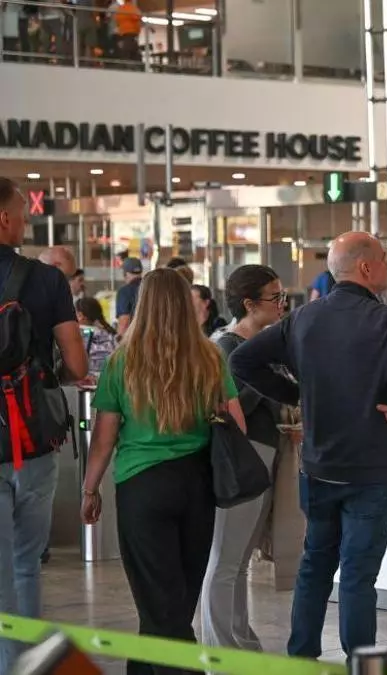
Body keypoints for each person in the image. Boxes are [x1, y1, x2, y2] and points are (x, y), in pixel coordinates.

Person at [230, 232, 387, 660]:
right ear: (366, 268)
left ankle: (301, 657)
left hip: (319, 466)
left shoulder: (303, 319)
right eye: (383, 258)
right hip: (374, 469)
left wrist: (295, 394)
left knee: (314, 564)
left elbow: (243, 360)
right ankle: (361, 664)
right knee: (358, 575)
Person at [80, 269, 245, 675]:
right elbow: (237, 425)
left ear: (143, 304)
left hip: (142, 487)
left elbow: (104, 438)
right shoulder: (210, 358)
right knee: (173, 603)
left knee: (161, 608)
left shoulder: (123, 361)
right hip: (197, 485)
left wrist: (90, 489)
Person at [0, 178, 88, 673]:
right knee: (26, 564)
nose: (27, 220)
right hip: (32, 437)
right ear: (4, 218)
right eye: (22, 211)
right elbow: (76, 365)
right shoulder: (45, 280)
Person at [200, 264, 289, 651]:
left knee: (239, 561)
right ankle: (220, 649)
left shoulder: (263, 345)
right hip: (240, 456)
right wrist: (265, 378)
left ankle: (240, 641)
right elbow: (230, 405)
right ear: (250, 304)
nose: (282, 303)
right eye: (275, 296)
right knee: (224, 560)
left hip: (265, 451)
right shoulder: (227, 347)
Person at [76, 297, 117, 381]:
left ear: (80, 315)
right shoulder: (110, 334)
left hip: (88, 380)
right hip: (108, 379)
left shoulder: (80, 334)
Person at [115, 256, 142, 337]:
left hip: (134, 339)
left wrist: (119, 340)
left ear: (125, 273)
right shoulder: (150, 288)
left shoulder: (124, 292)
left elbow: (124, 321)